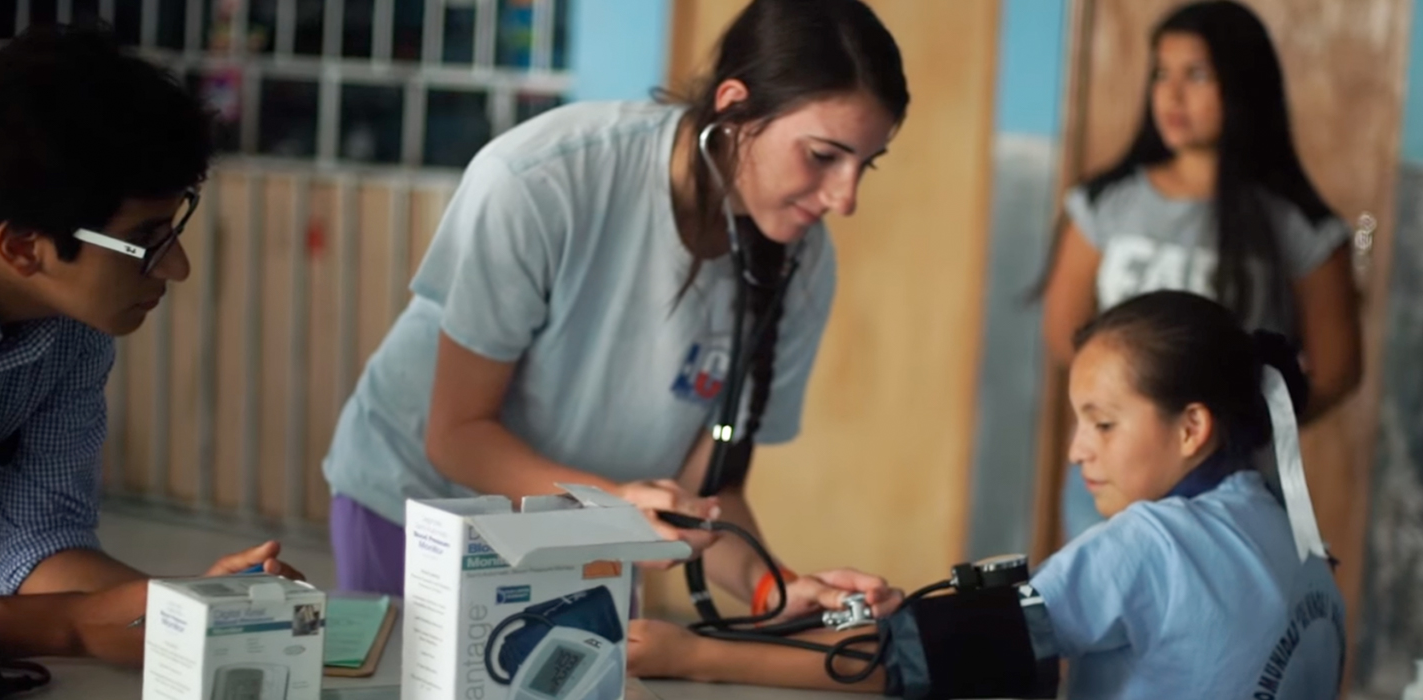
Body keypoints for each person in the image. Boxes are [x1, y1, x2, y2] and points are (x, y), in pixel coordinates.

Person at [321, 0, 910, 622]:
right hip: (424, 509)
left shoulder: (799, 265)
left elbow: (708, 493)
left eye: (863, 166)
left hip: (595, 530)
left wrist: (775, 591)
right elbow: (456, 436)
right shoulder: (544, 179)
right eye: (823, 156)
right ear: (735, 107)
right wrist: (611, 509)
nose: (845, 199)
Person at [627, 291, 1346, 700]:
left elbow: (922, 660)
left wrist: (691, 656)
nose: (1076, 450)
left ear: (1191, 427)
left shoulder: (1149, 545)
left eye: (1102, 423)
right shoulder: (1294, 538)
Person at [0, 23, 300, 666]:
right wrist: (66, 626)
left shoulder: (70, 328)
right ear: (23, 246)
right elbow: (62, 615)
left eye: (173, 226)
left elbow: (44, 546)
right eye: (145, 240)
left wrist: (189, 608)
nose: (177, 268)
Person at [1039, 0, 1362, 539]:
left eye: (1197, 74)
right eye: (1162, 73)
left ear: (1243, 87)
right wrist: (1123, 428)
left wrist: (1243, 431)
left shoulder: (1296, 226)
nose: (1172, 93)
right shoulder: (1106, 206)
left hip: (1232, 494)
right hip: (1111, 483)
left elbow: (1338, 368)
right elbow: (1062, 334)